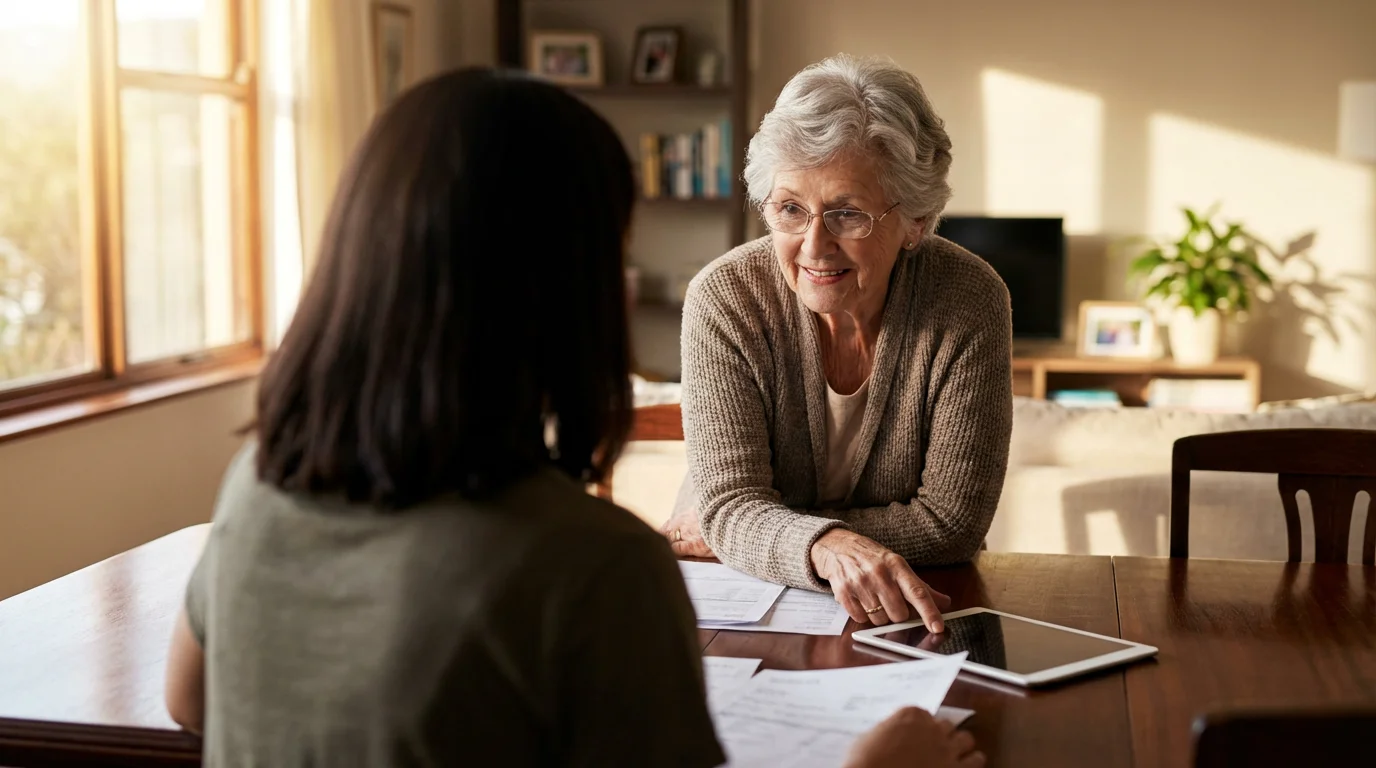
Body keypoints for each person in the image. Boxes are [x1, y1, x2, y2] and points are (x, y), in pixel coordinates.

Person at [162, 68, 983, 767]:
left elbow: (190, 702)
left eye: (845, 213)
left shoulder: (256, 487)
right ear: (568, 290)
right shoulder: (598, 568)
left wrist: (752, 524)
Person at [660, 55, 1013, 633]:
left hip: (914, 609)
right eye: (790, 210)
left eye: (847, 213)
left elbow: (953, 523)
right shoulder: (726, 298)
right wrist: (817, 543)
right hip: (748, 607)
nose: (814, 246)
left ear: (917, 220)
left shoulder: (968, 300)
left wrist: (764, 531)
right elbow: (733, 509)